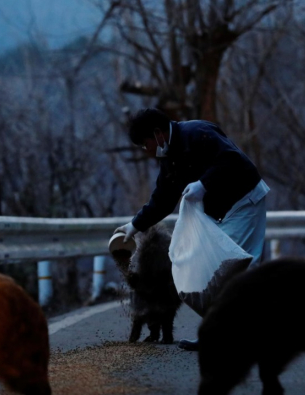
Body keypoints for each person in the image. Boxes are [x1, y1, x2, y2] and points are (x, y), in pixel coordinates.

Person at [114, 108, 270, 351]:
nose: (147, 151)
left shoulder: (198, 133)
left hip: (244, 201)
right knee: (209, 269)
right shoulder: (169, 157)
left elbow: (233, 159)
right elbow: (164, 198)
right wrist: (135, 225)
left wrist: (204, 183)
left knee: (227, 266)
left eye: (145, 145)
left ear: (157, 134)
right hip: (221, 209)